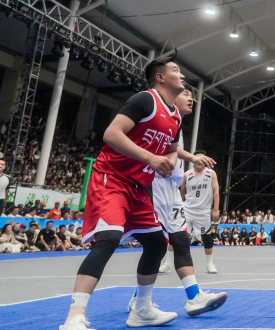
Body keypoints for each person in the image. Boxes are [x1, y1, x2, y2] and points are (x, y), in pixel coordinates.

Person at [59, 56, 185, 330]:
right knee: (109, 238)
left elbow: (172, 148)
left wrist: (168, 163)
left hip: (138, 186)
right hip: (112, 177)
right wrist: (150, 158)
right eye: (176, 70)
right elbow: (112, 134)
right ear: (160, 77)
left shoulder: (175, 115)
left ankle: (142, 309)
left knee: (157, 244)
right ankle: (74, 316)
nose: (182, 75)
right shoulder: (145, 100)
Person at [128, 86, 227, 318]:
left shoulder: (177, 123)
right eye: (186, 94)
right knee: (156, 246)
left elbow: (173, 150)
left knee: (181, 243)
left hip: (172, 194)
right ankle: (138, 301)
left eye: (192, 96)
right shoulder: (161, 119)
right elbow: (160, 150)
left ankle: (194, 297)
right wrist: (191, 157)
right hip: (155, 188)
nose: (191, 98)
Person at [182, 148, 221, 273]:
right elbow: (182, 192)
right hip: (187, 210)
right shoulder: (187, 175)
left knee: (207, 237)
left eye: (202, 159)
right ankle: (168, 263)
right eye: (197, 159)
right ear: (193, 160)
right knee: (179, 235)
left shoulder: (211, 173)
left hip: (203, 211)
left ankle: (210, 264)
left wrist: (215, 209)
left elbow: (216, 191)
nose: (199, 161)